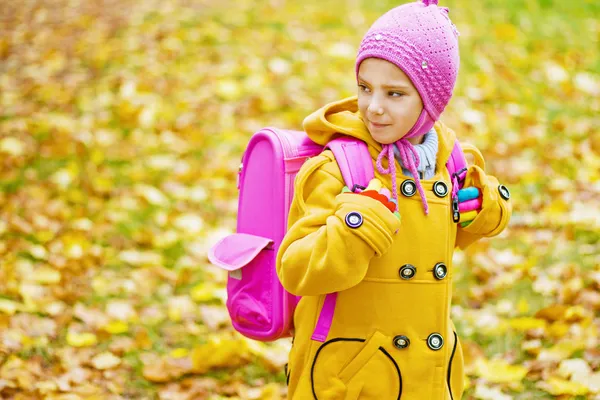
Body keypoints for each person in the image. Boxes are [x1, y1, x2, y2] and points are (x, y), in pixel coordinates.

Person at [276, 0, 512, 398]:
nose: (375, 107)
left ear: (432, 101)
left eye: (395, 93)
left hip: (426, 371)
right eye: (365, 88)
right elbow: (297, 270)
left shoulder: (447, 163)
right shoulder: (338, 168)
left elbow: (426, 242)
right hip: (350, 374)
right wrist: (356, 229)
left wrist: (482, 213)